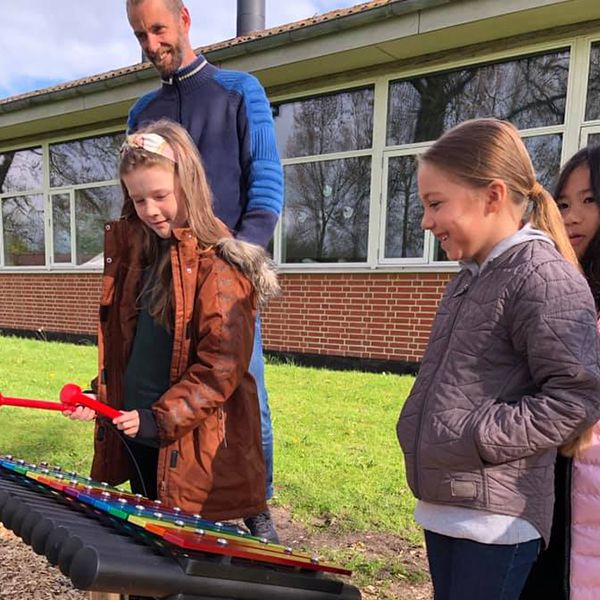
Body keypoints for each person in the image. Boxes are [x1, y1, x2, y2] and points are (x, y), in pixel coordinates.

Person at [396, 118, 600, 600]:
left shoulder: (543, 276)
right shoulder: (469, 276)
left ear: (491, 196)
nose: (426, 222)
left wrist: (480, 436)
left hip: (495, 519)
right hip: (448, 503)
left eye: (435, 204)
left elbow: (576, 396)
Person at [65, 119, 279, 529]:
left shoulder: (219, 266)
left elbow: (220, 370)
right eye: (138, 199)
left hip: (182, 445)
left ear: (189, 183)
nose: (150, 211)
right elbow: (135, 348)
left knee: (182, 562)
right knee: (146, 550)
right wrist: (99, 398)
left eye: (160, 195)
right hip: (138, 435)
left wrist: (157, 419)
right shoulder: (141, 257)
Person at [125, 0, 283, 542]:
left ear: (185, 19)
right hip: (164, 278)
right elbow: (138, 202)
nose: (151, 45)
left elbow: (265, 187)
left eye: (159, 29)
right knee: (160, 383)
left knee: (238, 386)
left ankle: (252, 503)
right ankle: (167, 492)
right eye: (141, 34)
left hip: (222, 271)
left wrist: (235, 259)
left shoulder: (239, 91)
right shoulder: (142, 111)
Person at [521, 145, 600, 600]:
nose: (572, 217)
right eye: (564, 203)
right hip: (557, 481)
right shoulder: (555, 283)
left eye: (590, 201)